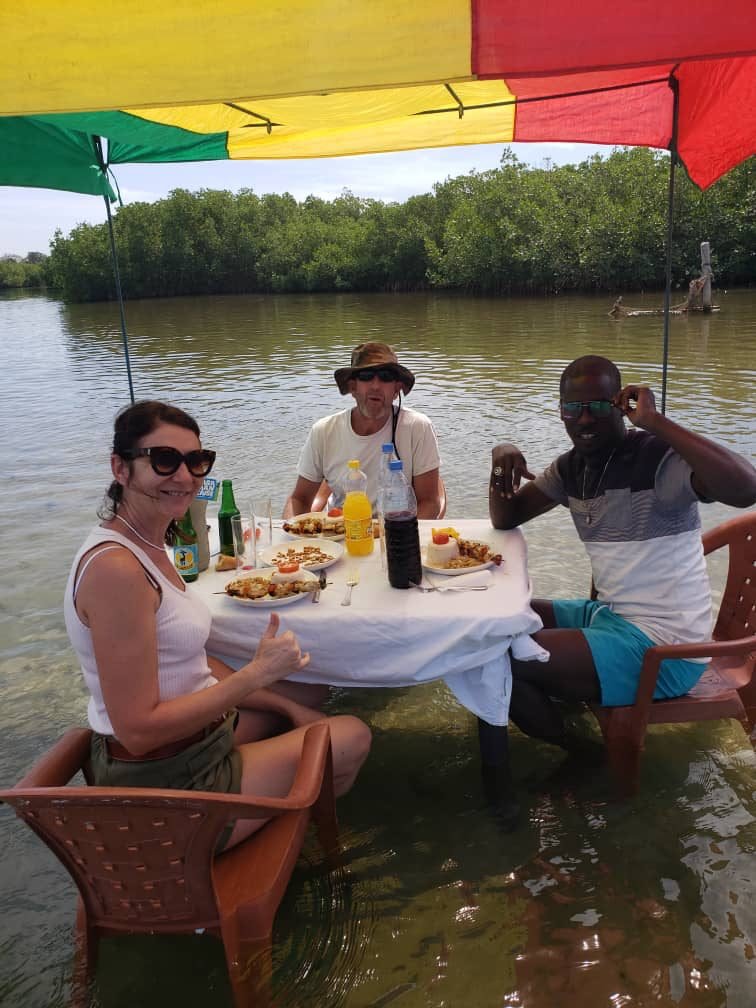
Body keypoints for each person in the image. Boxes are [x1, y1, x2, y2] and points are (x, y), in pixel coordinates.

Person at [64, 400, 371, 852]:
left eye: (196, 461)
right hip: (166, 779)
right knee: (353, 736)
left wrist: (283, 705)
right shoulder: (117, 571)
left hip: (196, 741)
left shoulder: (146, 545)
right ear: (121, 469)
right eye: (164, 460)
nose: (185, 476)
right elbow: (138, 730)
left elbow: (189, 659)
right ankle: (276, 845)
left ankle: (270, 796)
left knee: (310, 692)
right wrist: (256, 674)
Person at [485, 355, 756, 789]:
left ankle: (585, 754)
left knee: (499, 658)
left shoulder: (659, 460)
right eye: (573, 408)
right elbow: (506, 517)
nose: (584, 418)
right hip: (611, 616)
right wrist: (501, 461)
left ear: (621, 404)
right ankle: (565, 701)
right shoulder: (571, 468)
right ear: (560, 411)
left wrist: (658, 423)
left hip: (664, 647)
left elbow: (747, 488)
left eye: (598, 404)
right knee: (496, 618)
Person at [283, 341, 443, 519]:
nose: (375, 385)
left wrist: (401, 540)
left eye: (385, 376)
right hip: (340, 530)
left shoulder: (418, 427)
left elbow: (429, 502)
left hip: (397, 527)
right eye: (366, 376)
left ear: (397, 389)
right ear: (353, 387)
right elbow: (299, 499)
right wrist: (289, 535)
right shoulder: (323, 431)